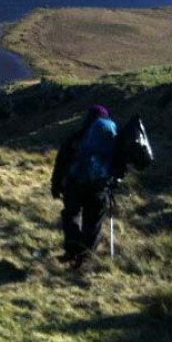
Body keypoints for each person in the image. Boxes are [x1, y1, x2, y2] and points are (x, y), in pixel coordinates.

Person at [52, 105, 119, 268]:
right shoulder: (112, 139)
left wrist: (56, 184)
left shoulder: (76, 138)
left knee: (71, 215)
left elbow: (61, 162)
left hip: (75, 184)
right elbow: (119, 163)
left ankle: (72, 251)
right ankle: (85, 256)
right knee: (93, 221)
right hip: (100, 187)